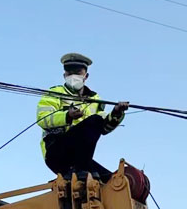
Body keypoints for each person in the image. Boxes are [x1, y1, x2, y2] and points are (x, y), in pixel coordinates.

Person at [36, 53, 129, 183]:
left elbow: (104, 128)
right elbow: (43, 119)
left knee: (110, 181)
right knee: (94, 121)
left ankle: (80, 172)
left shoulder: (95, 99)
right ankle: (80, 172)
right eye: (69, 72)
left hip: (79, 159)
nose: (73, 76)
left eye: (78, 72)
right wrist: (67, 116)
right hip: (56, 152)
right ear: (64, 76)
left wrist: (117, 113)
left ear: (86, 76)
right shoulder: (54, 93)